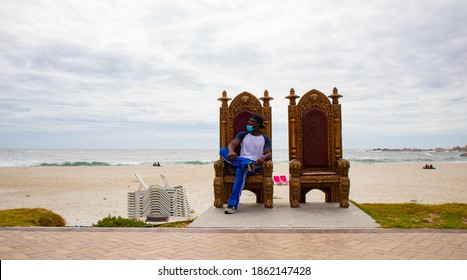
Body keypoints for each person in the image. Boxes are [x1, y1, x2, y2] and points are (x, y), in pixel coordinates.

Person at [219, 114, 272, 214]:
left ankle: (232, 205)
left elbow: (268, 152)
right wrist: (231, 151)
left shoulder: (265, 138)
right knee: (223, 150)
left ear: (258, 125)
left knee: (240, 171)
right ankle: (244, 165)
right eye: (249, 121)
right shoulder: (243, 134)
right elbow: (233, 144)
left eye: (251, 122)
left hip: (254, 165)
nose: (248, 123)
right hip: (242, 161)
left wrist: (264, 157)